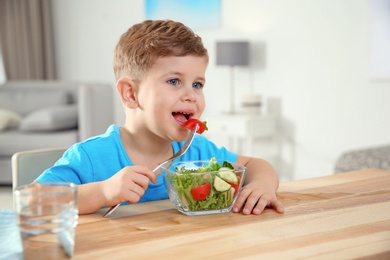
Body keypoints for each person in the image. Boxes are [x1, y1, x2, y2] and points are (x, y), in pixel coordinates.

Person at [36, 20, 284, 215]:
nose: (191, 96)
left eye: (197, 84)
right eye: (174, 81)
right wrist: (101, 192)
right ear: (130, 93)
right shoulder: (91, 157)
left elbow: (256, 165)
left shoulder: (194, 152)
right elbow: (35, 200)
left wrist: (262, 184)